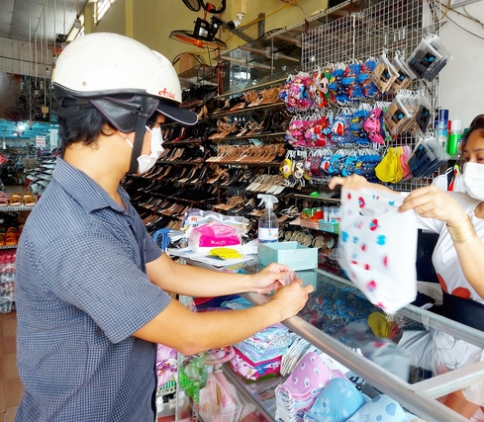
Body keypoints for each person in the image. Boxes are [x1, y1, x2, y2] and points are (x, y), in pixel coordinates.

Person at [14, 32, 313, 422]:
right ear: (117, 120)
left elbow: (167, 272)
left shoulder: (109, 198)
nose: (160, 139)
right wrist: (276, 310)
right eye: (155, 124)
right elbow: (189, 334)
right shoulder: (75, 233)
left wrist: (252, 282)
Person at [329, 113, 484, 422]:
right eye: (466, 158)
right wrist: (364, 187)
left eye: (482, 158)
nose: (470, 167)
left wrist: (458, 222)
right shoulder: (462, 202)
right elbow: (399, 202)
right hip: (449, 346)